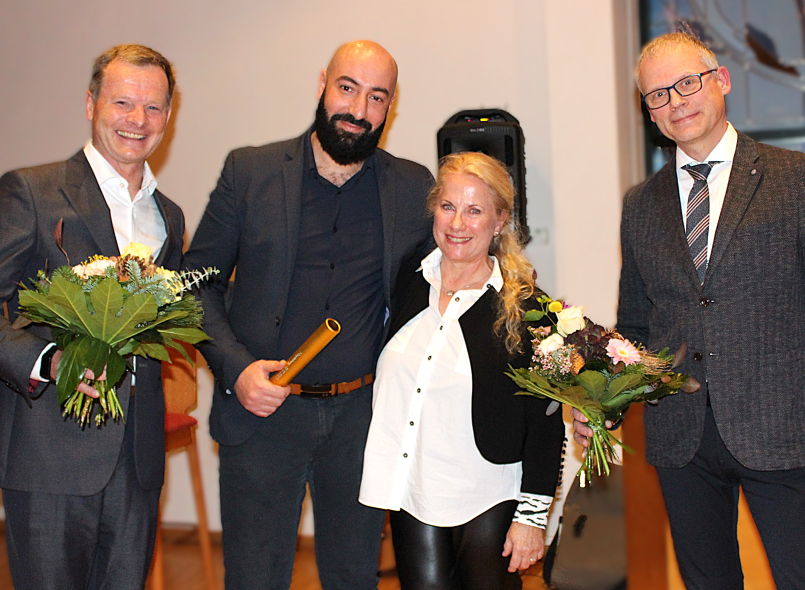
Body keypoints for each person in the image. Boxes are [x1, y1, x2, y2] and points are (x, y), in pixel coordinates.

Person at [183, 40, 434, 590]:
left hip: (363, 421)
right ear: (323, 83)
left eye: (376, 97)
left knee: (353, 578)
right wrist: (235, 369)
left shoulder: (414, 187)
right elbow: (194, 285)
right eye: (347, 89)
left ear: (391, 105)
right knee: (254, 578)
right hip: (263, 416)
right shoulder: (249, 172)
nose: (359, 111)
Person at [572, 31, 805, 589]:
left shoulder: (793, 180)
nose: (676, 101)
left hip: (782, 429)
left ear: (720, 81)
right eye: (658, 95)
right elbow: (634, 324)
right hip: (681, 437)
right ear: (649, 112)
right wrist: (602, 401)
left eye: (687, 83)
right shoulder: (640, 205)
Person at [0, 45, 183, 589]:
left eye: (153, 108)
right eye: (123, 102)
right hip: (49, 456)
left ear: (168, 117)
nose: (137, 120)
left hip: (138, 462)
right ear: (90, 104)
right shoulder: (31, 191)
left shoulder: (168, 217)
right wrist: (49, 361)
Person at [359, 152, 565, 590]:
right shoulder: (409, 281)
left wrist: (532, 517)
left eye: (475, 211)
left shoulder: (528, 309)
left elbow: (546, 426)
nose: (457, 224)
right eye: (448, 206)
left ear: (499, 221)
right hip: (414, 493)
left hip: (489, 495)